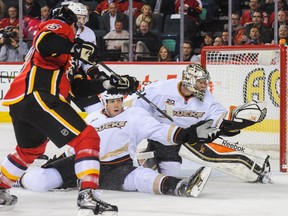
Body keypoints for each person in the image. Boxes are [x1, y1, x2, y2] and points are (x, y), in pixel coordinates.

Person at [0, 6, 139, 216]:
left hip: (24, 102)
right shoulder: (61, 27)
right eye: (78, 24)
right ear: (72, 22)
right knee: (88, 137)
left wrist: (111, 85)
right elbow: (44, 42)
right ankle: (88, 196)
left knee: (30, 150)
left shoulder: (66, 54)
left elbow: (78, 89)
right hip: (39, 94)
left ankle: (1, 189)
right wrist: (76, 47)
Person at [14, 91, 218, 198]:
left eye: (119, 100)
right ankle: (15, 179)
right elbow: (75, 144)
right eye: (112, 101)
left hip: (117, 167)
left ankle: (179, 187)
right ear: (104, 102)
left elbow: (160, 131)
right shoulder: (92, 118)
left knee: (143, 177)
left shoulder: (135, 115)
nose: (117, 105)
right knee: (41, 181)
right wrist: (61, 158)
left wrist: (188, 134)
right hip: (83, 166)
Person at [132, 63, 271, 183]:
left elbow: (218, 118)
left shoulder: (207, 98)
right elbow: (136, 112)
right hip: (163, 136)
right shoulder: (158, 90)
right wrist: (155, 128)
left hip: (187, 136)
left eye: (205, 82)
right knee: (159, 175)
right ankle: (148, 155)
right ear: (190, 80)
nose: (205, 85)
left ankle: (254, 166)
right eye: (201, 82)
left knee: (172, 174)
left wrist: (238, 121)